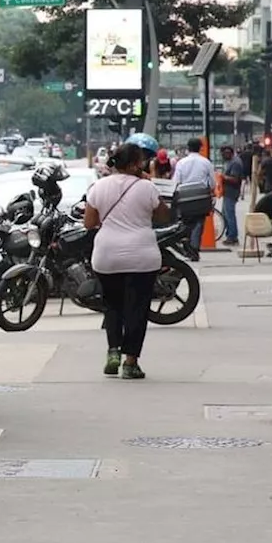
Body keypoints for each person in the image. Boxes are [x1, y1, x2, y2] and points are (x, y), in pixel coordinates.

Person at [84, 143, 168, 380]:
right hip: (142, 256)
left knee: (112, 305)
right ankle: (130, 362)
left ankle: (113, 351)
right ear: (135, 164)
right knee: (137, 309)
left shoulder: (98, 187)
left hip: (107, 255)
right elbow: (163, 215)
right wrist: (145, 181)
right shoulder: (146, 187)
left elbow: (89, 223)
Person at [171, 137, 214, 257]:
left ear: (188, 148)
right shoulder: (206, 162)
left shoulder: (181, 163)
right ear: (200, 148)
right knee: (199, 222)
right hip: (201, 196)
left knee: (185, 221)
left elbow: (176, 181)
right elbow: (212, 183)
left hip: (184, 196)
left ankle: (187, 242)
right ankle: (194, 247)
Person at [219, 145, 246, 245]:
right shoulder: (230, 162)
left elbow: (235, 179)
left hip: (231, 192)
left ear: (228, 153)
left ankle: (232, 236)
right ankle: (229, 234)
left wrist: (223, 177)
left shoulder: (235, 163)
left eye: (223, 154)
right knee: (225, 214)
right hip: (227, 192)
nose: (222, 156)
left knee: (229, 214)